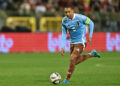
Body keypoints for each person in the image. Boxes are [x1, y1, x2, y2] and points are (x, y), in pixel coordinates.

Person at [61, 7, 101, 84]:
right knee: (74, 62)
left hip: (81, 42)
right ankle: (91, 54)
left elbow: (91, 23)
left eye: (69, 12)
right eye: (66, 12)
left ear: (73, 11)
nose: (67, 14)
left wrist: (90, 36)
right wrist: (62, 46)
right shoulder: (64, 21)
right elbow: (64, 34)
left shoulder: (80, 17)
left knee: (72, 59)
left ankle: (67, 79)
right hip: (72, 43)